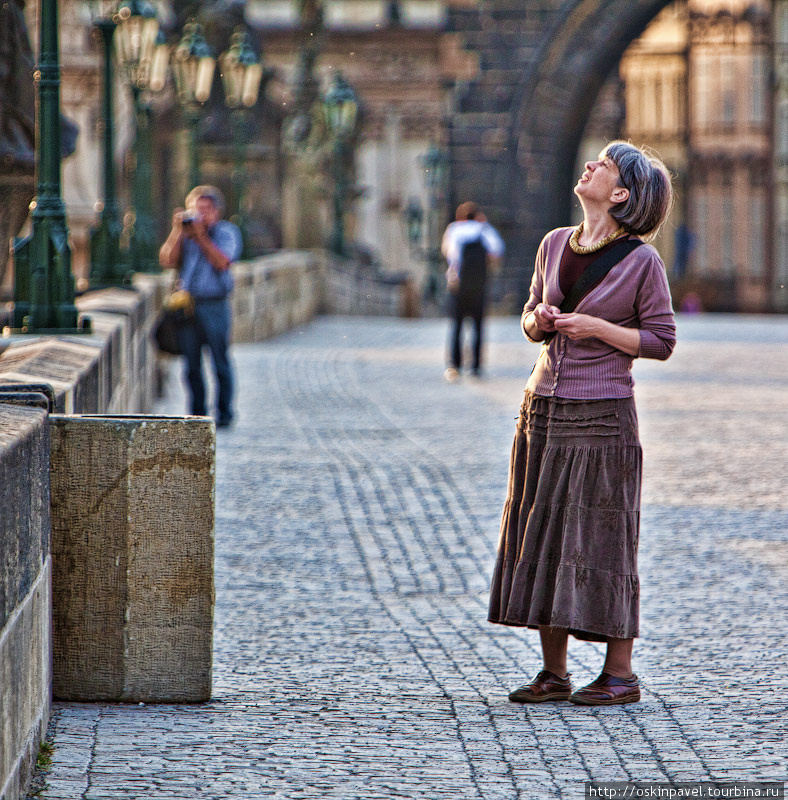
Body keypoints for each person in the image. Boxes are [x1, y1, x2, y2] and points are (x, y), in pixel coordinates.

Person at [488, 141, 676, 706]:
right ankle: (554, 673)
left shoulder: (642, 261)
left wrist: (596, 328)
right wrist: (539, 319)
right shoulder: (552, 244)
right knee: (544, 525)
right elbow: (527, 319)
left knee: (602, 533)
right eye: (593, 158)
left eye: (605, 165)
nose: (589, 165)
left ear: (620, 195)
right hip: (542, 406)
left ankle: (620, 674)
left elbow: (661, 340)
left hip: (602, 413)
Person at [159, 185, 242, 428]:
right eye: (196, 209)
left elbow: (223, 262)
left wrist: (201, 237)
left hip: (214, 304)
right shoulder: (185, 234)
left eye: (206, 210)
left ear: (217, 212)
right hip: (187, 307)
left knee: (220, 361)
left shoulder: (227, 232)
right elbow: (167, 260)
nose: (201, 215)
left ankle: (224, 414)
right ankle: (197, 416)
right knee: (191, 364)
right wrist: (178, 232)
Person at [441, 202, 504, 381]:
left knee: (457, 326)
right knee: (478, 327)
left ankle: (454, 365)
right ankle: (475, 366)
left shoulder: (454, 229)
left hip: (458, 286)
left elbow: (449, 253)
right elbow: (497, 249)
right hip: (479, 285)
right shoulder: (483, 230)